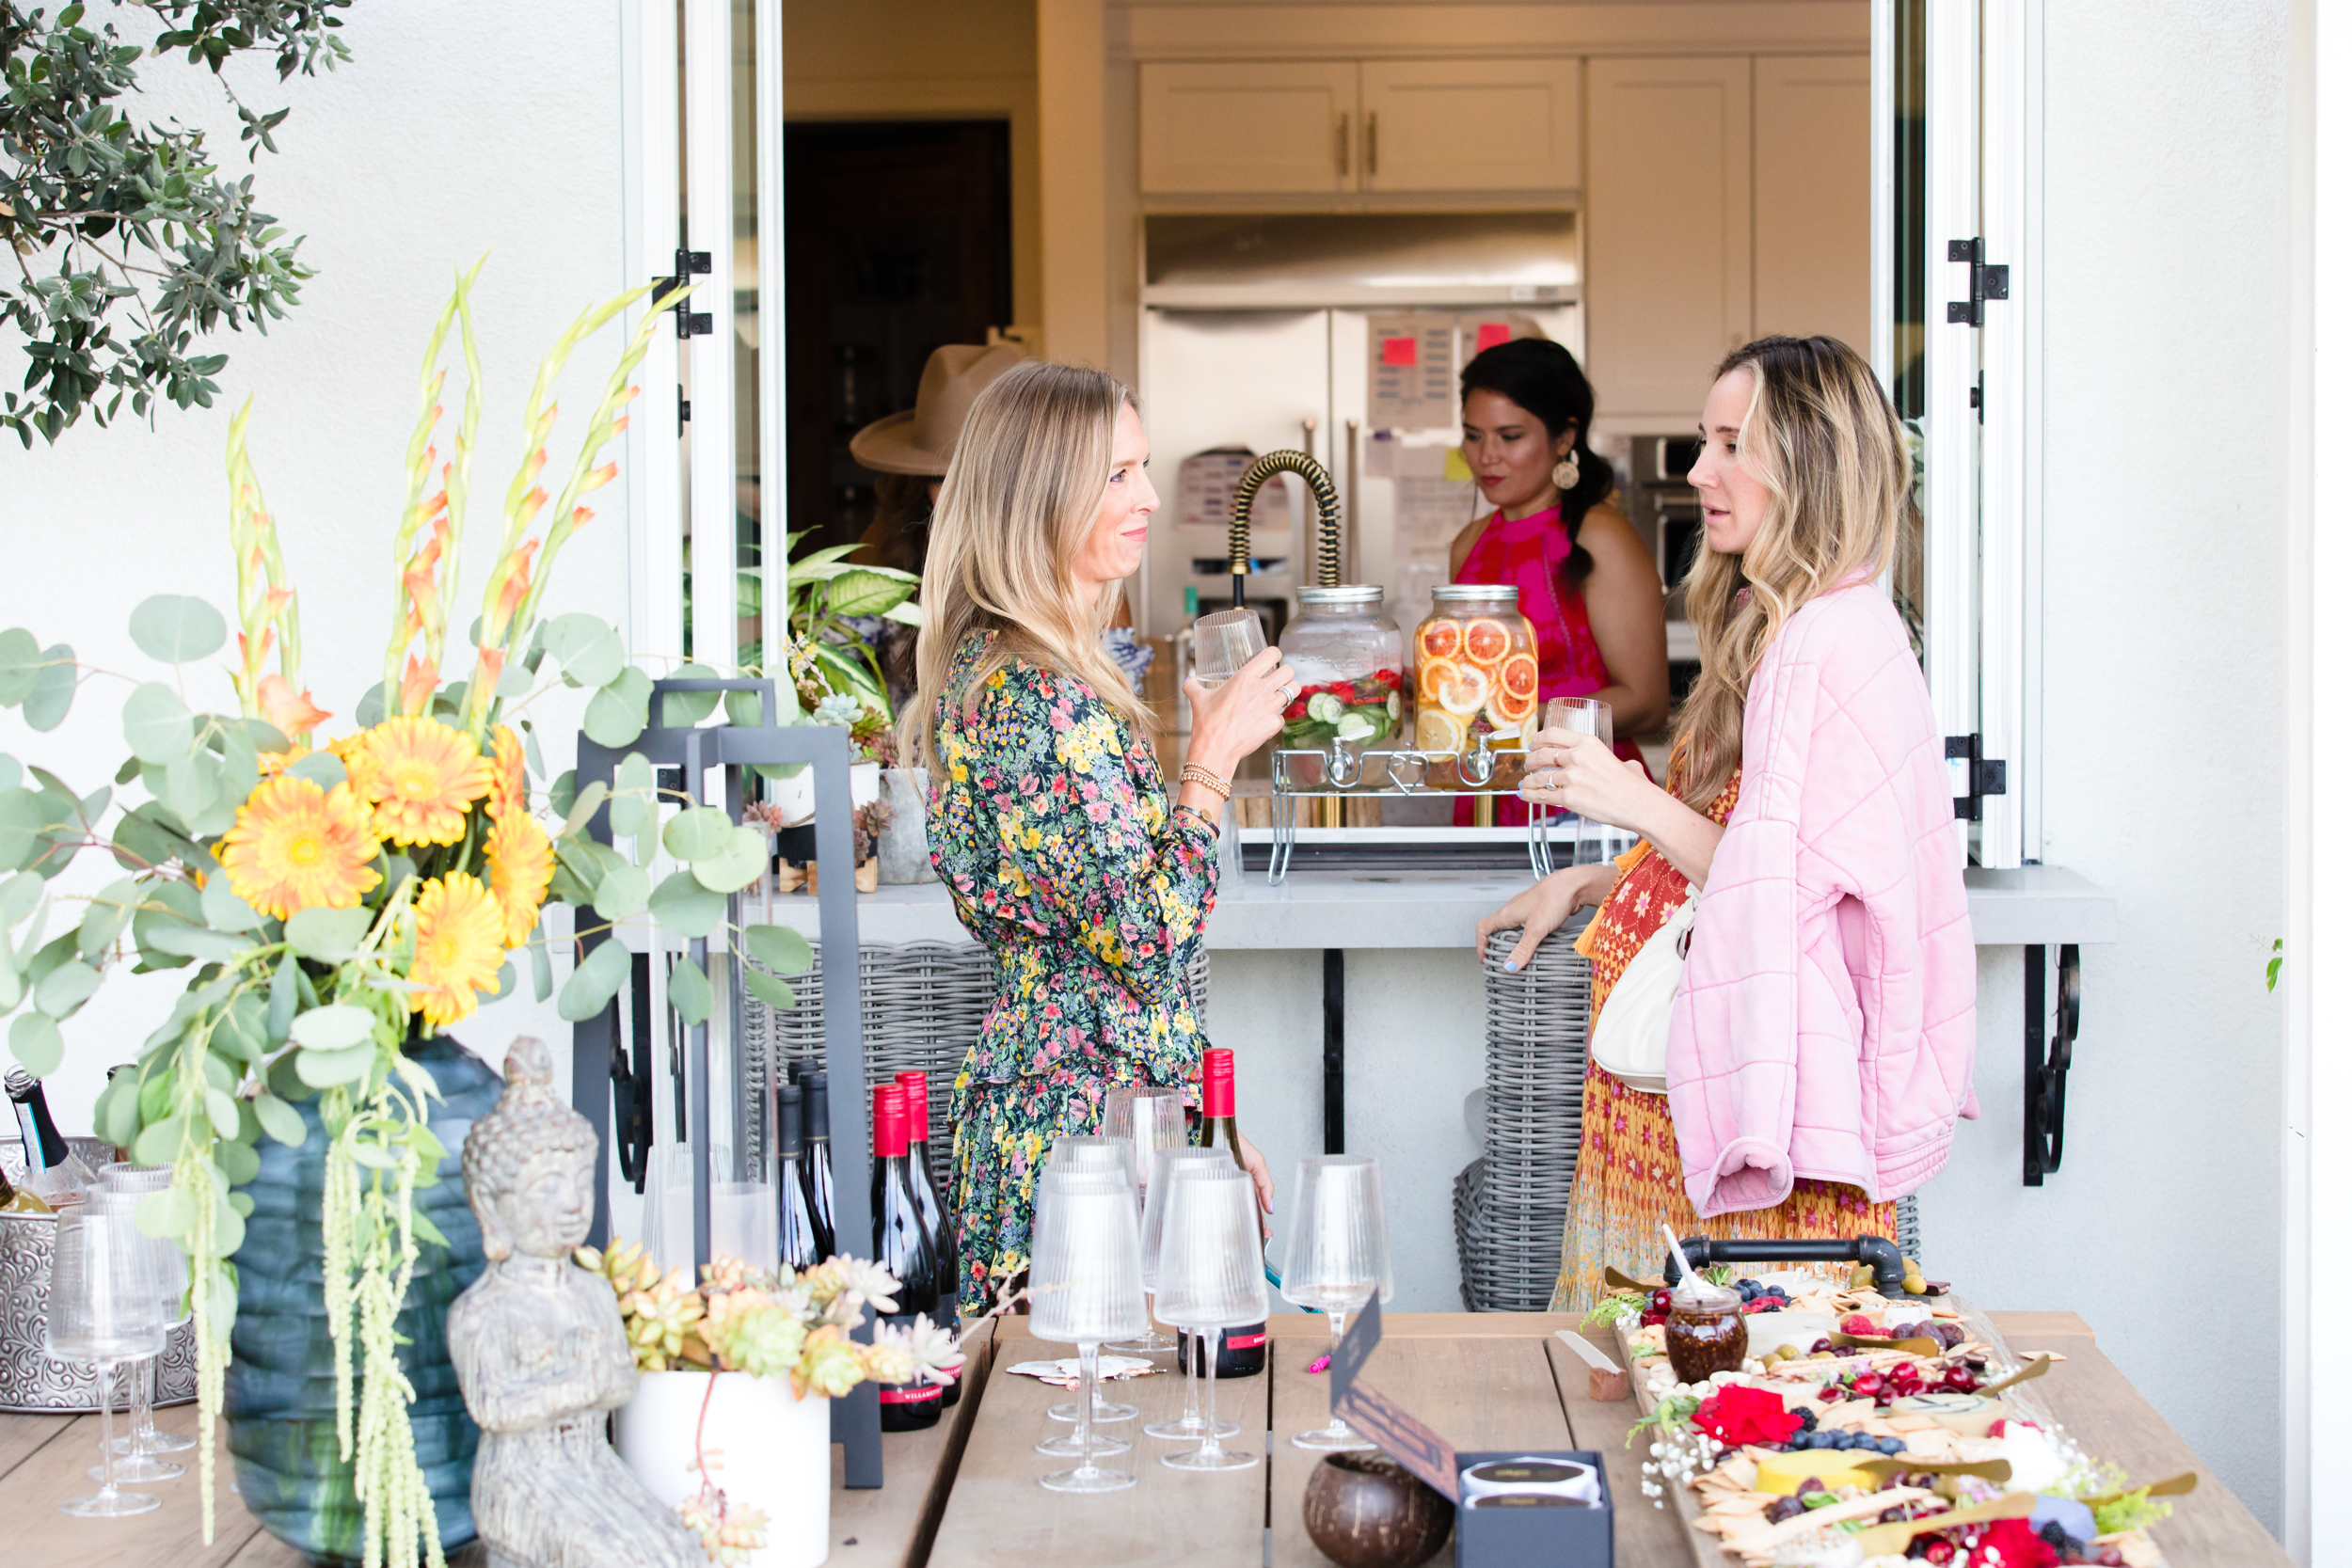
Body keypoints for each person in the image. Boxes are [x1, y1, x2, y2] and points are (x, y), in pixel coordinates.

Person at [1478, 336, 1977, 1311]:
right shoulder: (1801, 621)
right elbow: (1750, 841)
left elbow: (1778, 887)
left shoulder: (1824, 642)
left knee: (1703, 1398)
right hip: (1676, 1104)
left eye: (1728, 443)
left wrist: (1622, 794)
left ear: (1808, 462)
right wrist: (1596, 880)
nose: (1700, 469)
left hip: (1722, 1122)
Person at [898, 359, 1293, 1311]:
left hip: (1104, 1108)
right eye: (1119, 474)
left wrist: (1210, 1118)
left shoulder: (1019, 674)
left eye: (1142, 467)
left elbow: (1116, 959)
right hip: (1080, 1130)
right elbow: (1149, 932)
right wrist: (1212, 761)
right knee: (1088, 1423)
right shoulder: (1036, 696)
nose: (1150, 496)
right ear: (1041, 496)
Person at [850, 340, 1152, 707]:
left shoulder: (1088, 577)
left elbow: (1116, 707)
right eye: (943, 479)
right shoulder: (881, 558)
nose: (965, 498)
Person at [1448, 337, 1668, 826]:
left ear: (1564, 438)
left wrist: (1516, 715)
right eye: (1473, 435)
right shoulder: (1468, 545)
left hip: (1581, 800)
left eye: (1509, 436)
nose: (1486, 457)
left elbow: (1647, 700)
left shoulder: (1600, 535)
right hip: (1485, 795)